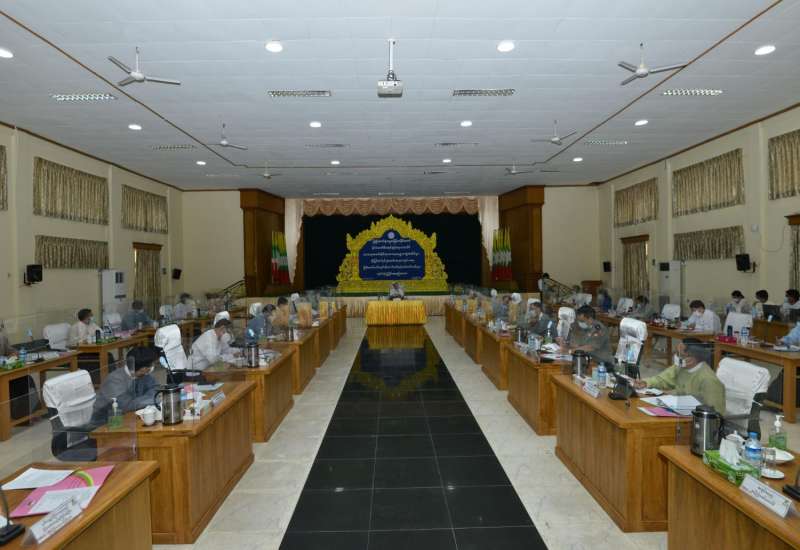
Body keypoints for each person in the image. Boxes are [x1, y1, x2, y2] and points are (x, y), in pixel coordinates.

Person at [634, 339, 726, 414]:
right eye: (676, 353)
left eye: (680, 355)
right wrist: (646, 383)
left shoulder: (708, 380)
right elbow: (663, 379)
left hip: (695, 420)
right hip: (677, 409)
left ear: (692, 358)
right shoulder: (681, 366)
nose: (676, 356)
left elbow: (716, 413)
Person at [91, 347, 159, 424]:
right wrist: (152, 399)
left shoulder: (144, 374)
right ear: (144, 368)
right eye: (151, 365)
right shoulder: (114, 380)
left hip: (130, 417)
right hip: (105, 422)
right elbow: (126, 406)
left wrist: (148, 399)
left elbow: (155, 389)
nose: (153, 367)